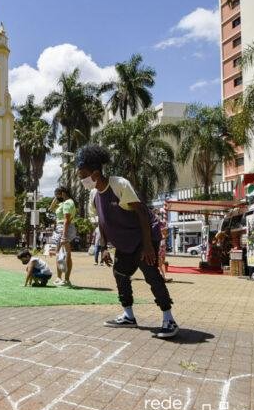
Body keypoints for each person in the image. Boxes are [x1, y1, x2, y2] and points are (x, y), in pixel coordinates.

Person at [76, 145, 178, 339]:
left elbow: (141, 212)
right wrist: (104, 247)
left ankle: (169, 319)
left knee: (151, 274)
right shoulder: (93, 195)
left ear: (96, 174)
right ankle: (129, 316)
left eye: (84, 175)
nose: (82, 180)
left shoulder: (118, 185)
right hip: (124, 243)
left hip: (144, 237)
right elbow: (102, 222)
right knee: (120, 273)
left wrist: (148, 246)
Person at [49, 186, 76, 286]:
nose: (57, 197)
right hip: (60, 228)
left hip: (64, 228)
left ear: (63, 193)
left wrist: (64, 236)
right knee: (60, 254)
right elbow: (51, 208)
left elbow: (66, 220)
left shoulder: (68, 203)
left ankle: (66, 279)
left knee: (66, 254)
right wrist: (56, 197)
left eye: (58, 194)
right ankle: (60, 278)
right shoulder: (63, 203)